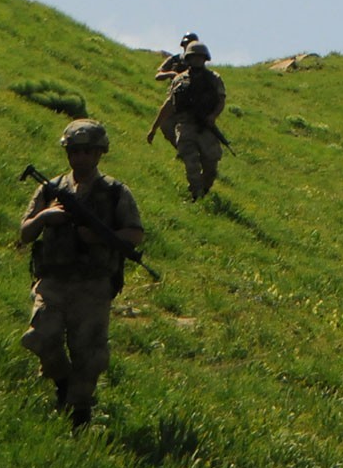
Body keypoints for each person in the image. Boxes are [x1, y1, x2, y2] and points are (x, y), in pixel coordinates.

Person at [19, 119, 145, 428]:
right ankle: (62, 383)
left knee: (89, 354)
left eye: (89, 151)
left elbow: (134, 234)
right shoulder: (51, 189)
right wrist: (45, 217)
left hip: (93, 284)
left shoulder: (115, 192)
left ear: (100, 153)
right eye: (75, 151)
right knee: (40, 337)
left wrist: (99, 236)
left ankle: (79, 412)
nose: (81, 158)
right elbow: (24, 233)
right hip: (53, 280)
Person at [148, 41, 227, 199]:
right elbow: (169, 104)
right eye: (193, 57)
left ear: (205, 59)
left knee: (211, 166)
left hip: (205, 126)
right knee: (191, 164)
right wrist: (154, 128)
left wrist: (212, 117)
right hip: (185, 126)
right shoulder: (179, 80)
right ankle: (196, 195)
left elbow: (221, 100)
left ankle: (204, 189)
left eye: (200, 57)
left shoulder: (213, 78)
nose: (197, 60)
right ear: (188, 59)